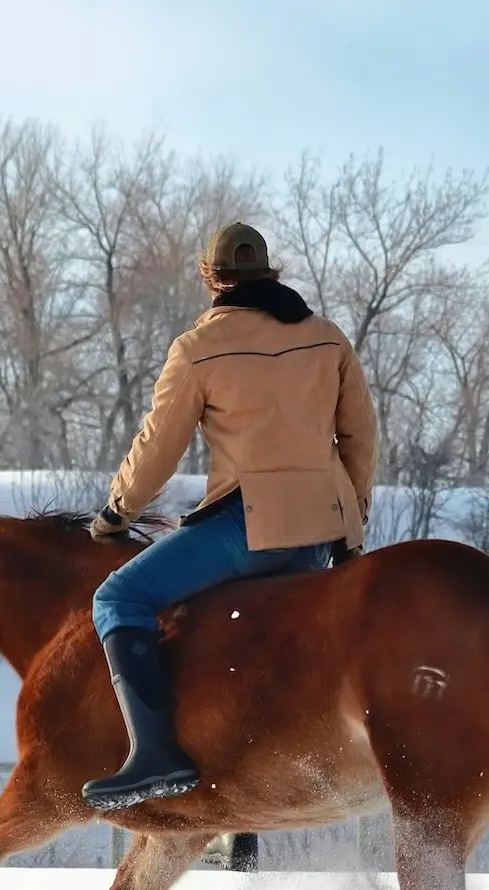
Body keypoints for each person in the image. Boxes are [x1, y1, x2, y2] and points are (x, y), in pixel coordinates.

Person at [81, 221, 378, 812]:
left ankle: (156, 754)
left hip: (248, 527)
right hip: (319, 532)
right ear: (271, 274)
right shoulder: (327, 338)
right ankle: (238, 823)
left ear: (211, 278)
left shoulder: (198, 348)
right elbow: (360, 436)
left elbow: (158, 446)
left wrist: (118, 510)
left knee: (118, 599)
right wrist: (351, 521)